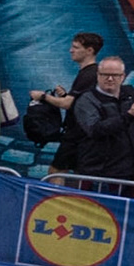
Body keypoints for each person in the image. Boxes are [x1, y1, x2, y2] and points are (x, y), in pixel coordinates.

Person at [68, 56, 134, 182]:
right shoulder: (86, 99)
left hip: (132, 170)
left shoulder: (131, 93)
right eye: (105, 74)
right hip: (100, 173)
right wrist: (129, 116)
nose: (110, 79)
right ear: (98, 75)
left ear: (123, 76)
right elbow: (95, 129)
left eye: (115, 75)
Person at [35, 32, 103, 175]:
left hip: (77, 133)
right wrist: (65, 95)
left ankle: (55, 196)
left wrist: (42, 96)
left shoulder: (88, 74)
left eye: (76, 47)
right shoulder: (90, 73)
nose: (70, 50)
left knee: (56, 171)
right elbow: (78, 102)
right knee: (72, 171)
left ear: (89, 50)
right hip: (82, 132)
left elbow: (66, 104)